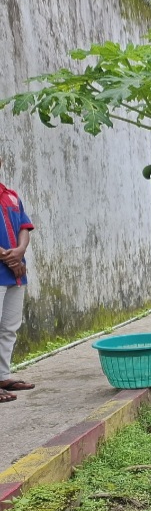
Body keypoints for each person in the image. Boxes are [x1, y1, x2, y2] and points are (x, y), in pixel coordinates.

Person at [0, 159, 34, 402]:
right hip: (11, 268)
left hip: (15, 273)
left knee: (9, 327)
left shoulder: (11, 196)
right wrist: (9, 258)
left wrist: (20, 250)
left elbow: (24, 225)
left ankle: (2, 375)